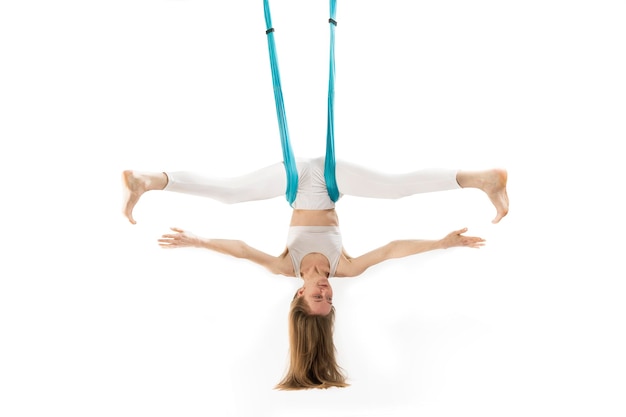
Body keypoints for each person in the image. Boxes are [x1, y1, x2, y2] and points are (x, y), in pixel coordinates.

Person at [122, 157, 508, 389]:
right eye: (328, 298)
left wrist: (200, 241)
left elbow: (241, 251)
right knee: (394, 189)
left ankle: (148, 180)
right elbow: (392, 251)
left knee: (230, 193)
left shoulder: (284, 266)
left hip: (292, 178)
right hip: (332, 178)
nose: (324, 289)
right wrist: (440, 244)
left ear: (298, 295)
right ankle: (483, 179)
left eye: (315, 297)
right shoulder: (347, 268)